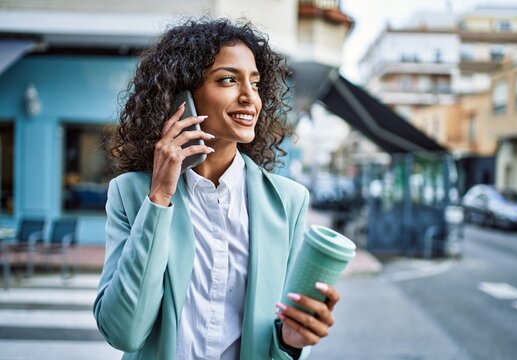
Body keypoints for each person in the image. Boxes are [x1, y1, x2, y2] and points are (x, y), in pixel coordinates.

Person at [93, 17, 341, 360]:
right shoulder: (131, 194)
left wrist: (291, 342)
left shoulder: (288, 202)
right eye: (228, 80)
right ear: (182, 95)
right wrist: (160, 199)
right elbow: (124, 332)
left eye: (255, 84)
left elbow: (284, 338)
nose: (249, 97)